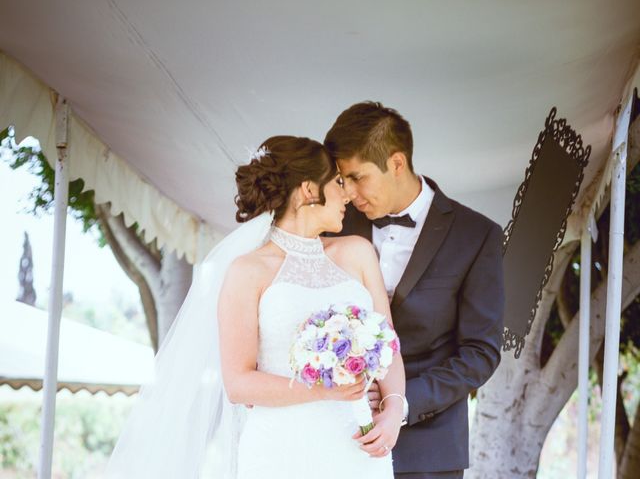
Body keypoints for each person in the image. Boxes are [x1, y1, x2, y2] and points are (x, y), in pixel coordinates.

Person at [105, 135, 405, 479]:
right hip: (281, 451)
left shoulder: (358, 251)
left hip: (357, 445)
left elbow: (389, 343)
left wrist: (395, 407)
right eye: (338, 182)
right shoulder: (247, 271)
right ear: (308, 189)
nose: (348, 193)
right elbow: (238, 384)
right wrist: (323, 389)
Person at [324, 102, 505, 479]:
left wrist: (401, 403)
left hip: (429, 448)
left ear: (397, 163)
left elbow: (480, 352)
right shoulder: (332, 227)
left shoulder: (476, 236)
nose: (350, 192)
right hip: (335, 437)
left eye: (358, 177)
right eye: (342, 180)